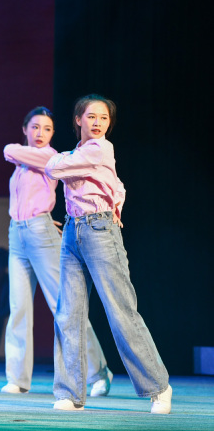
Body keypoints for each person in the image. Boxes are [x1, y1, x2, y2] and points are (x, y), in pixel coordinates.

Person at [45, 94, 171, 414]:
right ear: (78, 120)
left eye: (104, 118)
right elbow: (117, 185)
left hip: (99, 231)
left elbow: (52, 167)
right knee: (68, 314)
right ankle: (70, 393)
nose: (98, 122)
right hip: (72, 231)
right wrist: (117, 201)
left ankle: (159, 387)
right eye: (91, 117)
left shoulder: (100, 148)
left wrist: (110, 210)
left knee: (120, 311)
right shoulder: (78, 153)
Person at [2, 106, 111, 395]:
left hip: (40, 233)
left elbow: (9, 150)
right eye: (35, 127)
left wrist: (41, 219)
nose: (41, 133)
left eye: (47, 129)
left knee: (63, 306)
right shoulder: (24, 163)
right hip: (17, 233)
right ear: (25, 129)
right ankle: (17, 379)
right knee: (18, 308)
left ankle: (98, 371)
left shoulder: (50, 157)